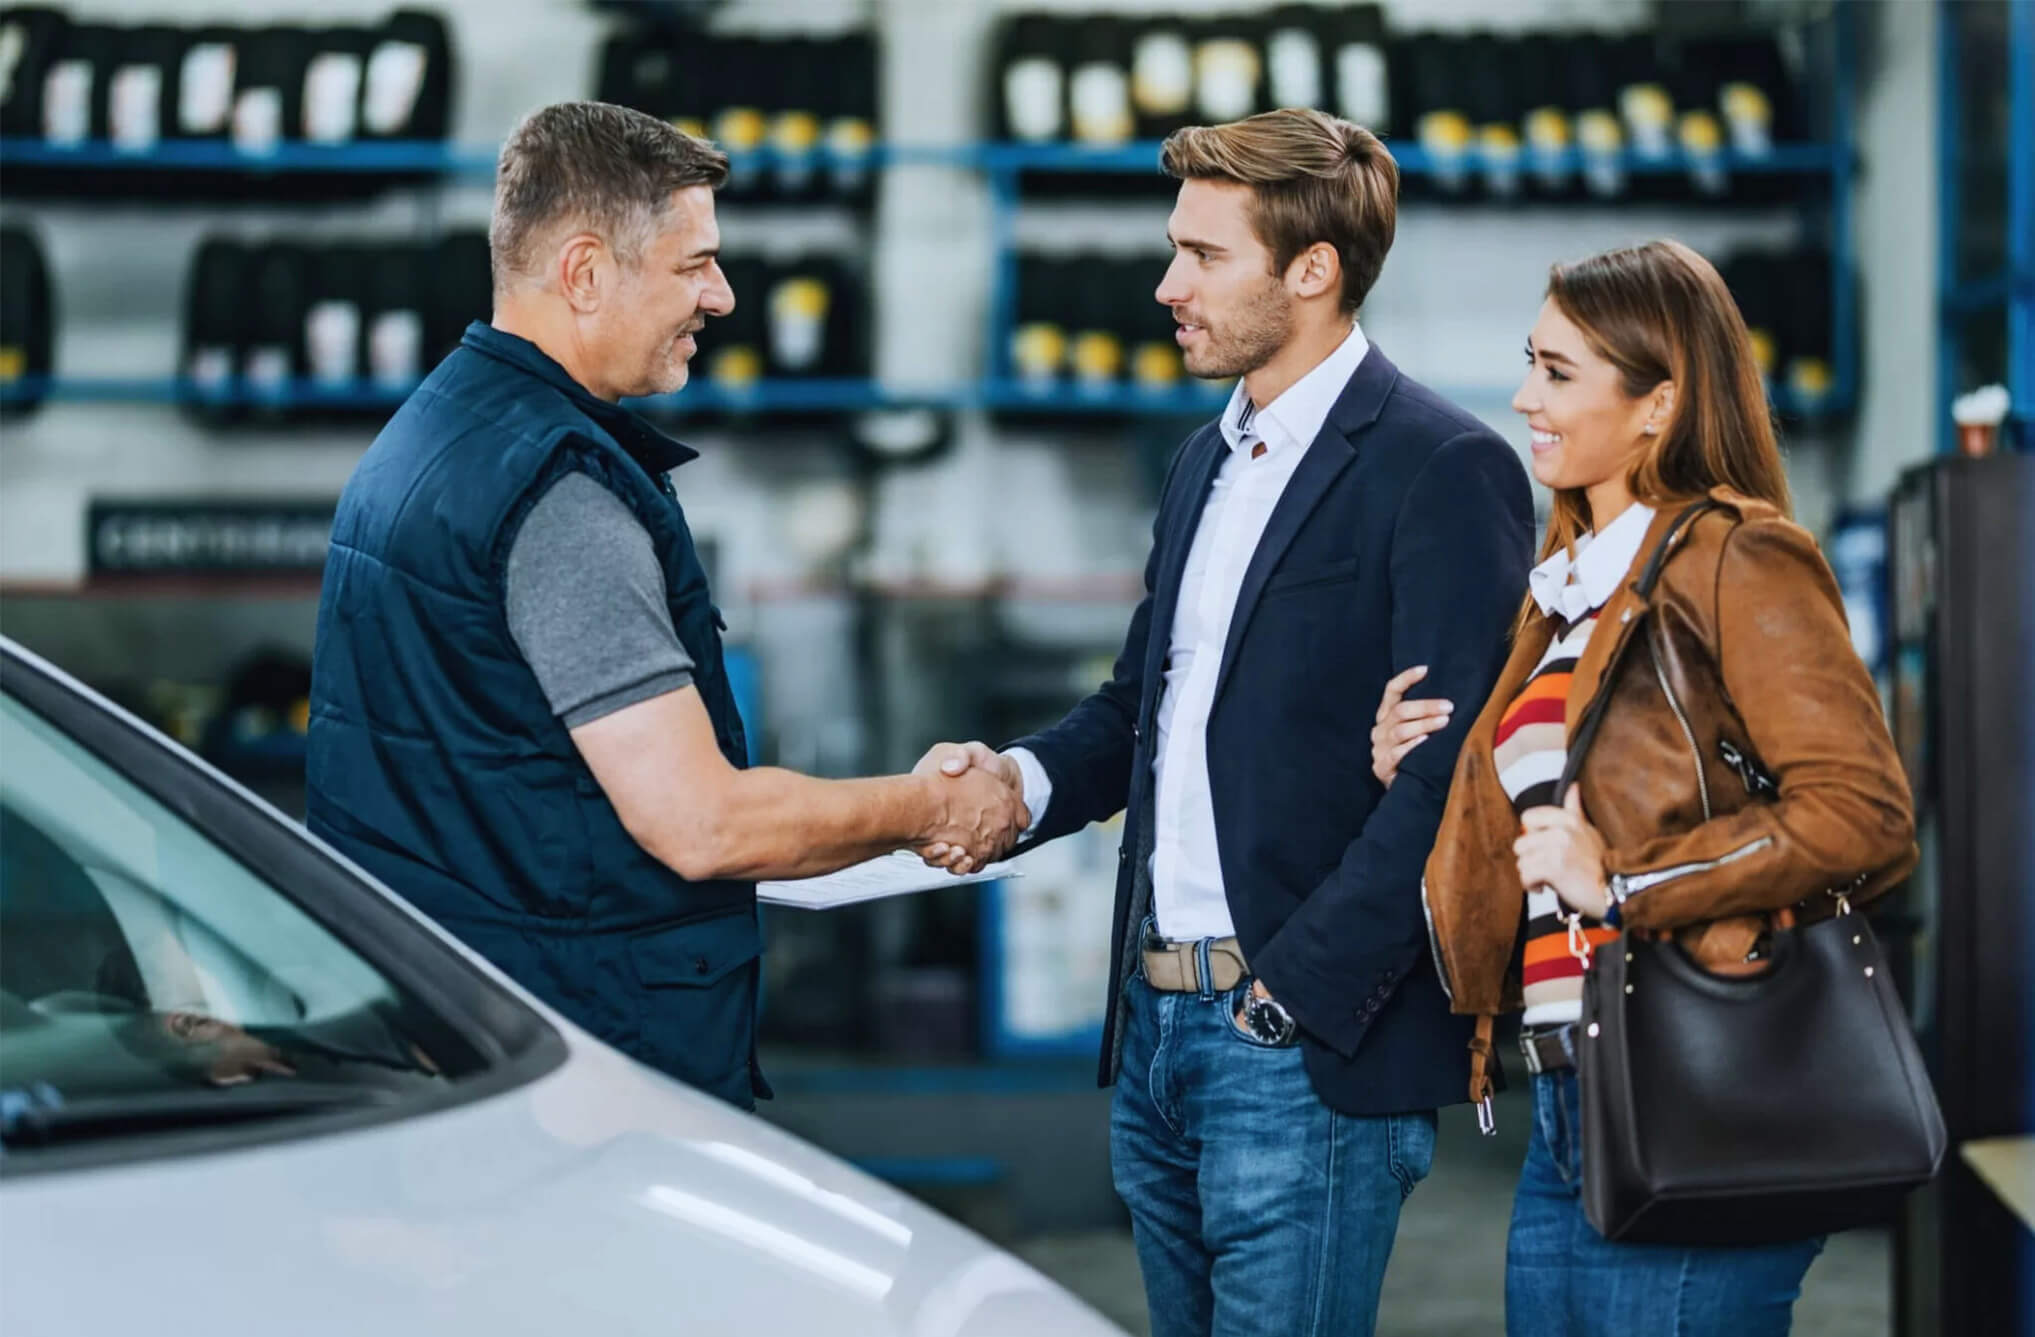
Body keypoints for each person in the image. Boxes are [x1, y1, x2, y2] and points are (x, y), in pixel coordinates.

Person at [922, 109, 1533, 1336]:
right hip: (1155, 1030)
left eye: (1204, 255)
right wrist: (1015, 787)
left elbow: (1450, 781)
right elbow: (1136, 710)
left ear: (1311, 270)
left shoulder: (1438, 466)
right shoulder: (1208, 461)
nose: (1167, 284)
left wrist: (1292, 994)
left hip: (1291, 1045)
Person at [306, 102, 1026, 1110]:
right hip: (577, 1067)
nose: (722, 297)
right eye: (695, 264)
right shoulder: (558, 500)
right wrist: (930, 807)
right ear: (587, 272)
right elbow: (703, 825)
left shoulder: (424, 437)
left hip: (451, 1022)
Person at [1377, 239, 1917, 1336]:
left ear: (1658, 401)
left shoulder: (1734, 557)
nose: (1523, 395)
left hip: (1702, 1081)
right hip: (1573, 1092)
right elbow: (1559, 824)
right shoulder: (1565, 593)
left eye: (1559, 372)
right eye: (1529, 361)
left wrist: (1623, 884)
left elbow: (1863, 812)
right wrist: (1430, 772)